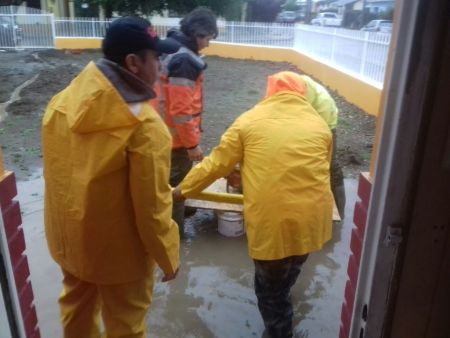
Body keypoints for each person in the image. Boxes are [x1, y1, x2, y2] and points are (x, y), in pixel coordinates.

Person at [42, 17, 181, 338]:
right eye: (156, 58)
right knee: (126, 326)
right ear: (133, 63)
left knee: (76, 309)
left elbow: (57, 177)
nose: (161, 67)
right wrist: (168, 257)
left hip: (70, 244)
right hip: (120, 257)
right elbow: (152, 209)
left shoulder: (62, 102)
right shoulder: (145, 127)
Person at [173, 71, 334, 338]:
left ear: (270, 93)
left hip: (274, 223)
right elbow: (316, 170)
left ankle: (280, 332)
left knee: (268, 293)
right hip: (314, 220)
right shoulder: (319, 125)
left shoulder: (249, 121)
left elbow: (215, 165)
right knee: (291, 270)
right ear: (302, 94)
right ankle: (284, 296)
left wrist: (181, 191)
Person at [152, 7, 218, 235]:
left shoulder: (171, 47)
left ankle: (170, 222)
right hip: (175, 141)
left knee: (164, 185)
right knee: (175, 191)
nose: (208, 44)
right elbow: (180, 110)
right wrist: (192, 145)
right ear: (199, 34)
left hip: (159, 133)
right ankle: (174, 237)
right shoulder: (185, 60)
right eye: (209, 38)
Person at [265, 71, 346, 218]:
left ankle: (338, 212)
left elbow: (295, 119)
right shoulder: (279, 88)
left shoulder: (302, 92)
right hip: (308, 115)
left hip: (324, 120)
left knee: (329, 166)